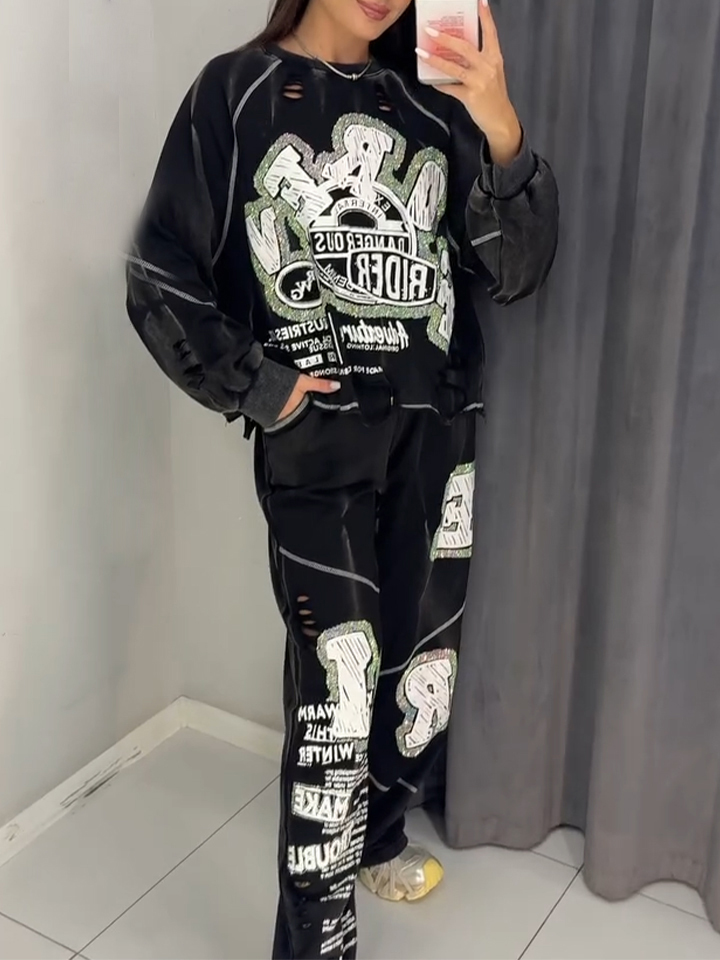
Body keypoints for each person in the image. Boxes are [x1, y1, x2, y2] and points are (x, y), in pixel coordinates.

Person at [126, 0, 558, 956]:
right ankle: (316, 941)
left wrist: (500, 125)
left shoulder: (437, 104)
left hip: (438, 438)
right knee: (339, 687)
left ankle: (379, 837)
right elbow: (157, 269)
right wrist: (261, 386)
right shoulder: (234, 92)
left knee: (419, 668)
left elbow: (516, 274)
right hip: (317, 453)